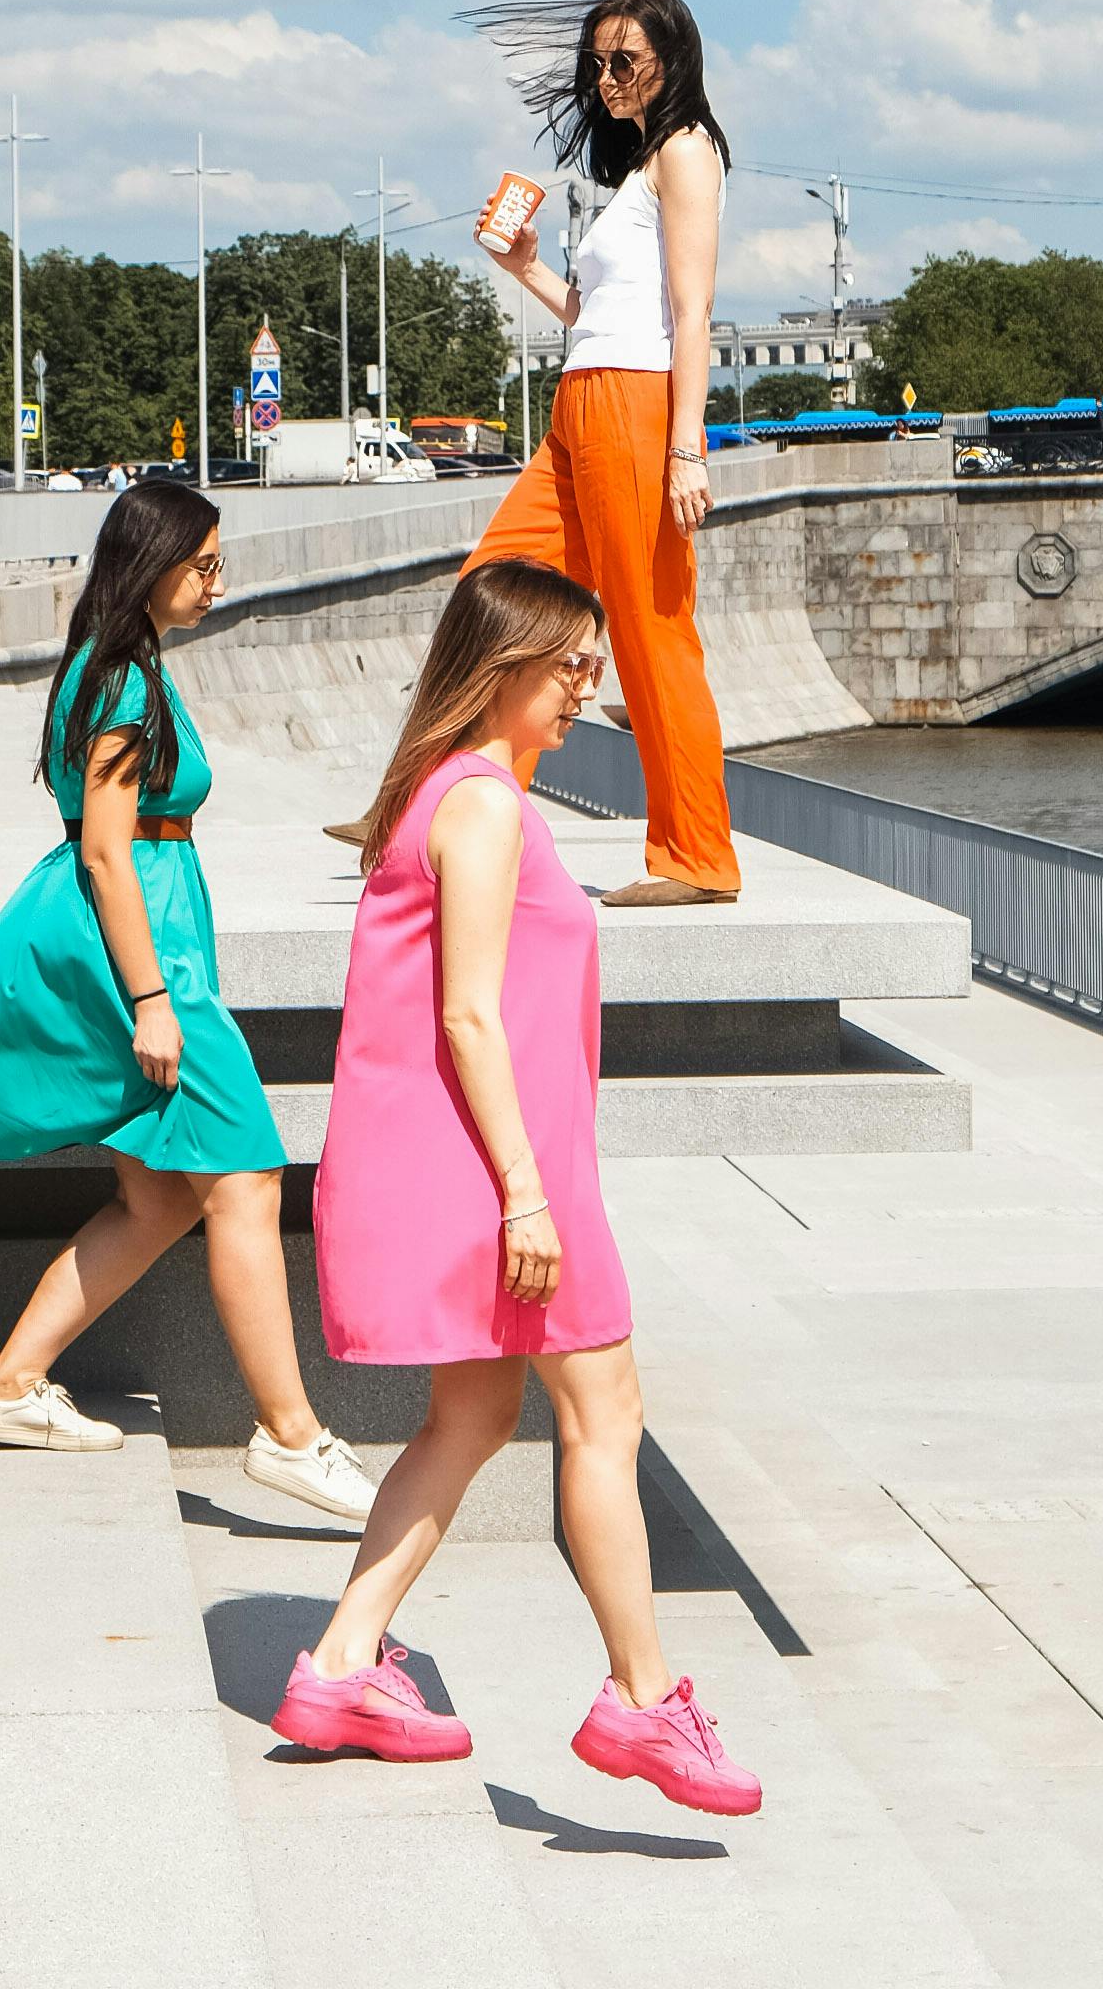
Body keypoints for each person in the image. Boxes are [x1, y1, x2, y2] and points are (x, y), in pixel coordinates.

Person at [275, 558, 760, 1814]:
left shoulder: (438, 792)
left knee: (474, 1417)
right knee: (606, 1414)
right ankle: (644, 1699)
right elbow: (470, 1017)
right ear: (505, 668)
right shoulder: (482, 804)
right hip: (499, 1176)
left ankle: (337, 1664)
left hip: (462, 1170)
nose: (586, 686)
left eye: (592, 665)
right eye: (572, 666)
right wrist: (528, 1194)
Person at [0, 477, 377, 1522]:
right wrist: (152, 999)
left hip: (134, 933)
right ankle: (292, 1436)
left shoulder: (111, 664)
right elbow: (106, 852)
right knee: (248, 1175)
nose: (217, 582)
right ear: (155, 561)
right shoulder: (121, 681)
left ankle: (9, 1387)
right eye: (204, 563)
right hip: (138, 947)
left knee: (161, 1196)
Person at [462, 0, 739, 906]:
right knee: (493, 588)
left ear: (672, 59)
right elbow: (596, 311)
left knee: (654, 632)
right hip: (579, 399)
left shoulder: (689, 153)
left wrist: (686, 450)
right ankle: (460, 802)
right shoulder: (637, 169)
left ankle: (696, 857)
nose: (607, 77)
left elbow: (691, 313)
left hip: (634, 405)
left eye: (625, 60)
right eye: (598, 62)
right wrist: (525, 265)